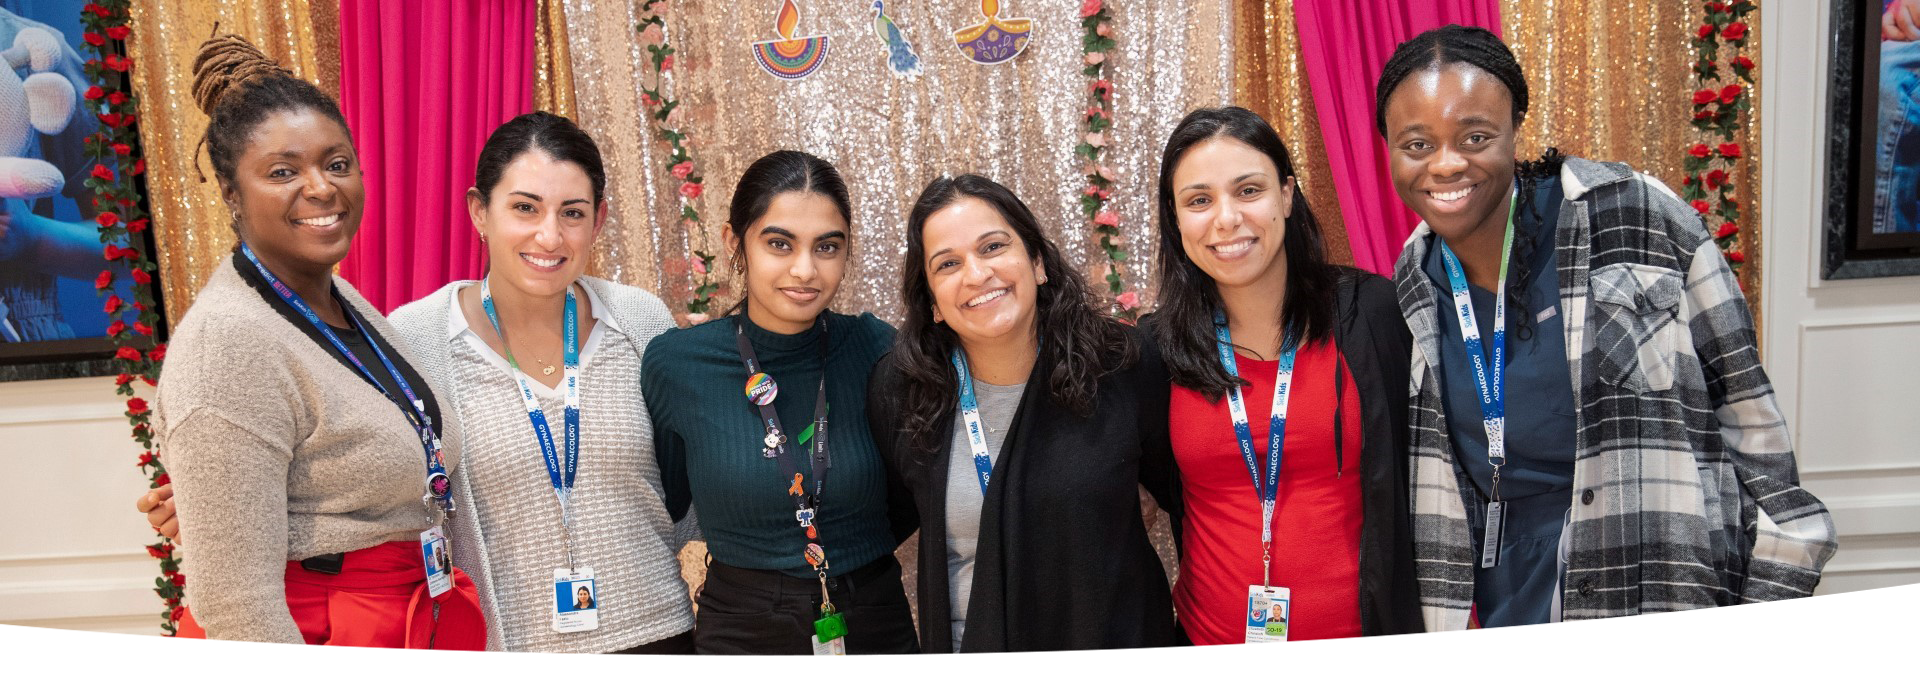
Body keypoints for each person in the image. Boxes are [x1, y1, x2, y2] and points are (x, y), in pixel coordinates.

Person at [141, 112, 700, 656]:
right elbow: (393, 479)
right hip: (503, 649)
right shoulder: (415, 336)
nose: (548, 235)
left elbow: (692, 478)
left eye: (572, 212)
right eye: (524, 208)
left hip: (656, 634)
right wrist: (227, 509)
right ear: (479, 212)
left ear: (598, 221)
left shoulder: (640, 322)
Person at [1374, 24, 1836, 645]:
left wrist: (1782, 574)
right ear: (1390, 151)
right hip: (1509, 599)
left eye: (1475, 136)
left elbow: (1745, 401)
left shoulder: (1632, 215)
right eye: (1417, 144)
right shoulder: (1413, 280)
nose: (1447, 163)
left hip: (1656, 582)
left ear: (1515, 128)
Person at [151, 34, 482, 652]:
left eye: (336, 163)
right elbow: (235, 605)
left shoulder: (336, 300)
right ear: (231, 195)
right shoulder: (226, 344)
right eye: (283, 172)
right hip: (310, 638)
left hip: (397, 619)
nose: (323, 188)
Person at [1148, 106, 1424, 650]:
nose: (1226, 219)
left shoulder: (1374, 315)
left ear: (1288, 195)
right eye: (1199, 200)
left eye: (1248, 190)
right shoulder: (1158, 352)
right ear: (1176, 219)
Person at [867, 174, 1176, 655]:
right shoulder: (905, 391)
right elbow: (892, 516)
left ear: (1037, 262)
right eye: (948, 264)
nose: (976, 274)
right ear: (933, 303)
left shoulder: (1124, 365)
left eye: (993, 247)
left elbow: (1183, 494)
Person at [641, 150, 918, 655]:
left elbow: (914, 490)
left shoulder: (878, 350)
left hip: (872, 616)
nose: (805, 269)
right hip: (743, 628)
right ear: (735, 243)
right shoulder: (678, 364)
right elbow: (673, 497)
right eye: (779, 243)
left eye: (827, 247)